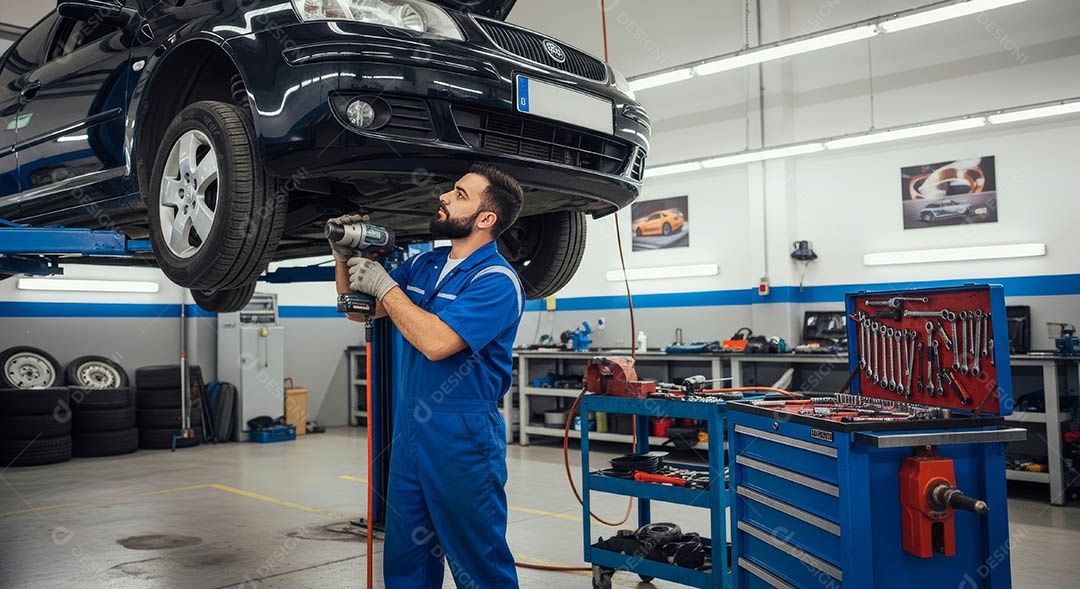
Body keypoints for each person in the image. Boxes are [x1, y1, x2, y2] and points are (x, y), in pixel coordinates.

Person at [329, 163, 526, 589]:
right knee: (407, 556)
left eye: (460, 195)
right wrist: (342, 258)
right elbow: (358, 309)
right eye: (452, 190)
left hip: (463, 436)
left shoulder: (496, 281)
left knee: (478, 561)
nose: (445, 197)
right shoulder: (425, 264)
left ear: (485, 218)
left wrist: (386, 286)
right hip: (411, 432)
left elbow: (437, 342)